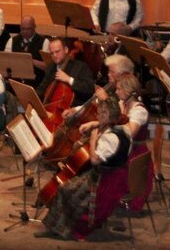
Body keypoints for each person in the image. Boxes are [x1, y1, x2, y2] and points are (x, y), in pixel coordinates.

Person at [38, 97, 131, 240]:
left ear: (107, 115)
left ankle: (61, 229)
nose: (98, 116)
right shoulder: (122, 129)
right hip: (109, 173)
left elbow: (94, 160)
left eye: (100, 114)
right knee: (70, 182)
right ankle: (57, 227)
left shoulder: (110, 138)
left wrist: (93, 140)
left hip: (105, 181)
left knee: (65, 189)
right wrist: (96, 126)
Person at [115, 72, 154, 212]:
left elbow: (131, 132)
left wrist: (112, 124)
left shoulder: (139, 110)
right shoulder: (124, 104)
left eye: (119, 89)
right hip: (128, 152)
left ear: (128, 91)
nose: (116, 91)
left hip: (135, 158)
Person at [36, 37, 95, 111]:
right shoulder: (51, 67)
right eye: (52, 53)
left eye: (57, 51)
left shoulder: (80, 67)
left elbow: (90, 89)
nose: (54, 55)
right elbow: (42, 88)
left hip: (75, 112)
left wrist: (69, 79)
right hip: (53, 110)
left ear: (66, 50)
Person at [3, 16, 51, 86]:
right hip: (15, 82)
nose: (25, 32)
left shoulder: (44, 42)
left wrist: (30, 61)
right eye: (23, 29)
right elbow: (5, 61)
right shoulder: (12, 40)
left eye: (28, 29)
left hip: (36, 83)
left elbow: (48, 66)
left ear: (34, 27)